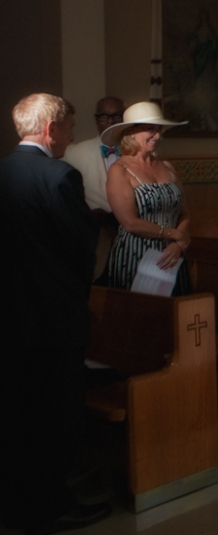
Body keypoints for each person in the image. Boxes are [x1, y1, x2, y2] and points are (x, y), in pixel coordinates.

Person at [0, 93, 110, 532]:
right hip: (52, 320)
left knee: (16, 413)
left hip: (9, 319)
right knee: (55, 416)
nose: (70, 136)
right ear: (50, 129)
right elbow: (80, 247)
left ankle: (14, 503)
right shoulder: (59, 175)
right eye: (68, 128)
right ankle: (49, 506)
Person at [101, 101, 191, 294]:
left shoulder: (167, 166)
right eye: (150, 129)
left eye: (159, 130)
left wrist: (177, 245)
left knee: (176, 310)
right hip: (136, 257)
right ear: (130, 132)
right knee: (140, 311)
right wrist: (175, 235)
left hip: (173, 257)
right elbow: (130, 223)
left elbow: (184, 213)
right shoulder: (119, 170)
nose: (157, 136)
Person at [62, 96, 126, 282]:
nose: (111, 121)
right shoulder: (73, 153)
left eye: (116, 116)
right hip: (94, 244)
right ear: (96, 119)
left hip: (131, 243)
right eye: (104, 116)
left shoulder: (139, 153)